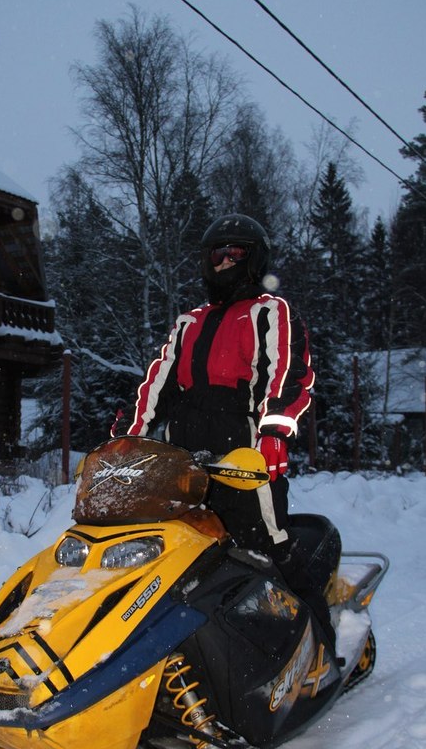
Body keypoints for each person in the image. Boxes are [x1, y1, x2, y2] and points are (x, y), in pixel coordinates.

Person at [119, 212, 334, 645]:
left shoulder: (270, 312)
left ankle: (320, 643)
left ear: (254, 260)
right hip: (184, 464)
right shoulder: (189, 322)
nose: (224, 262)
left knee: (267, 547)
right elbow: (157, 383)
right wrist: (126, 439)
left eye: (236, 253)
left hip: (247, 458)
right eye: (217, 254)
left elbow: (290, 377)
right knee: (175, 553)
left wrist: (273, 433)